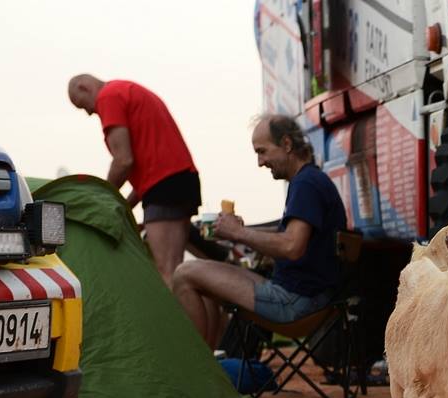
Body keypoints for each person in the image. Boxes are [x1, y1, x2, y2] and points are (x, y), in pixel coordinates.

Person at [172, 114, 345, 349]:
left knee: (184, 273)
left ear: (286, 144)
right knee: (200, 281)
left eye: (262, 152)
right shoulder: (311, 180)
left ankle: (196, 368)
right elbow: (290, 233)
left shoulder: (306, 185)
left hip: (295, 302)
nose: (260, 162)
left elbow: (291, 246)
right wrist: (241, 230)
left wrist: (238, 234)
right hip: (312, 297)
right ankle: (212, 364)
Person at [67, 74, 201, 287]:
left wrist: (98, 197)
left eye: (83, 106)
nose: (90, 113)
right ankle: (204, 322)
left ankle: (169, 321)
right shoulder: (126, 90)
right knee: (182, 271)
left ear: (84, 87)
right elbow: (143, 168)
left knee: (169, 272)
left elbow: (123, 160)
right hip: (179, 180)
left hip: (164, 186)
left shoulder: (108, 97)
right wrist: (124, 208)